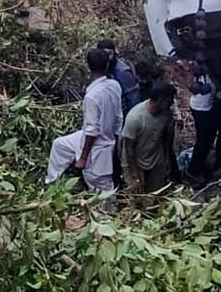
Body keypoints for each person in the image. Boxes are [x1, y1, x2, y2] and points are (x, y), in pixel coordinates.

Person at [44, 49, 123, 192]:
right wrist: (117, 138)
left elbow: (92, 130)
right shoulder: (114, 85)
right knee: (60, 145)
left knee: (100, 185)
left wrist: (83, 158)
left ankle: (108, 210)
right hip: (101, 136)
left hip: (98, 146)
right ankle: (51, 183)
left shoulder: (92, 96)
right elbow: (118, 116)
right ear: (107, 65)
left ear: (88, 66)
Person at [119, 83, 178, 193]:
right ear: (161, 100)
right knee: (136, 195)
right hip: (135, 161)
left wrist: (166, 159)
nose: (171, 103)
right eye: (170, 100)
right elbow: (129, 148)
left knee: (155, 194)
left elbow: (166, 137)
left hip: (156, 159)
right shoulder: (135, 118)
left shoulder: (166, 114)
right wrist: (134, 174)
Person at [186, 61, 221, 183]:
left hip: (205, 106)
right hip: (200, 108)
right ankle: (193, 171)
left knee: (208, 138)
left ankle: (200, 167)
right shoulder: (202, 67)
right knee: (203, 141)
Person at [97, 39, 141, 115]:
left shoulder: (122, 72)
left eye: (109, 54)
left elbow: (133, 99)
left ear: (114, 52)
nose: (107, 57)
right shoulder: (103, 69)